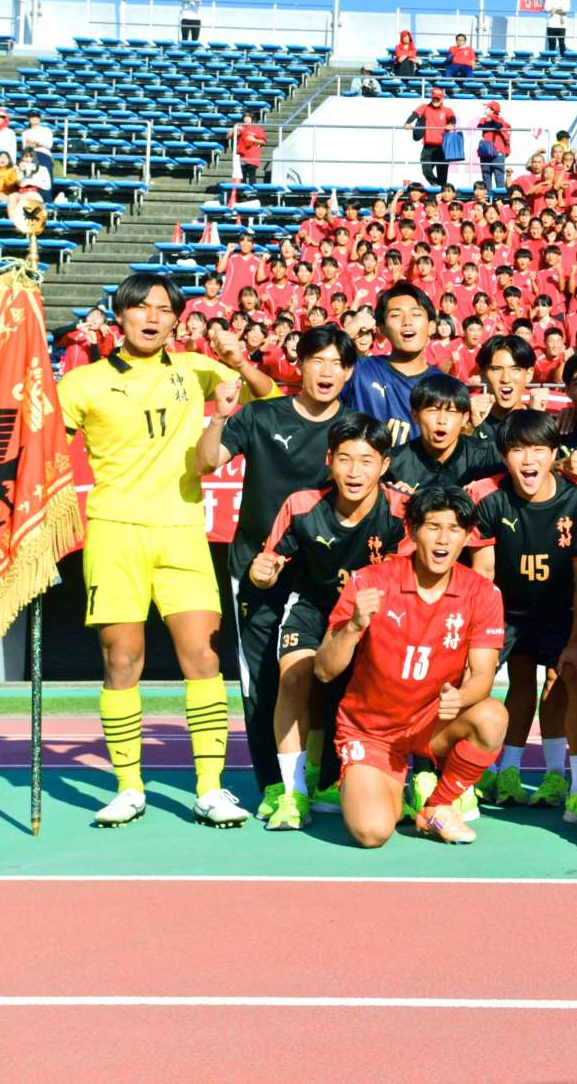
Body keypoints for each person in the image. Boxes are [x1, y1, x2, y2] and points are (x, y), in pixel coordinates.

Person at [57, 273, 277, 828]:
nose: (152, 317)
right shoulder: (81, 383)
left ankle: (210, 787)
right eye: (141, 307)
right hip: (113, 531)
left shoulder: (195, 369)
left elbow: (266, 395)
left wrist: (236, 357)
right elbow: (43, 448)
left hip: (181, 530)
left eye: (163, 308)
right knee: (121, 660)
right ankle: (129, 786)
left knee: (202, 657)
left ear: (178, 320)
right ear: (120, 316)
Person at [195, 325, 358, 822]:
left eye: (337, 364)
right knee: (264, 679)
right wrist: (219, 419)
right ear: (298, 365)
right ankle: (274, 783)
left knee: (333, 672)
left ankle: (327, 777)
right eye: (317, 361)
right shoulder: (261, 415)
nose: (327, 372)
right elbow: (206, 463)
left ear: (348, 372)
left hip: (326, 573)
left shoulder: (356, 426)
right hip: (257, 566)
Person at [314, 483, 508, 846]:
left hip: (429, 723)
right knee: (372, 833)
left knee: (492, 717)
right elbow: (324, 670)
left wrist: (462, 698)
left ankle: (437, 807)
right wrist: (354, 626)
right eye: (433, 526)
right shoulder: (370, 581)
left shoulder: (482, 593)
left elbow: (483, 674)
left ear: (467, 536)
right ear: (413, 530)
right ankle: (378, 785)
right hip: (370, 730)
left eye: (454, 529)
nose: (443, 539)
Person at [247, 413, 408, 830]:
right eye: (346, 459)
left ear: (385, 465)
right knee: (294, 678)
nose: (355, 471)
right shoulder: (302, 506)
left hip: (376, 612)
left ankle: (405, 782)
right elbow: (269, 562)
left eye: (367, 460)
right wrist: (262, 570)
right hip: (314, 607)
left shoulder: (401, 512)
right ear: (329, 460)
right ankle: (293, 791)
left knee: (390, 686)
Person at [467, 409, 577, 822]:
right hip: (505, 610)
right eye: (516, 451)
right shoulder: (487, 495)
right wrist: (480, 642)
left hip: (560, 609)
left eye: (538, 450)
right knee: (487, 683)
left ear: (554, 454)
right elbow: (484, 574)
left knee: (574, 681)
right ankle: (500, 773)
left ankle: (574, 785)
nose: (527, 461)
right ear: (503, 455)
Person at [340, 282, 442, 446]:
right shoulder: (360, 370)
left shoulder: (443, 385)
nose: (407, 321)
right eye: (395, 315)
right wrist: (348, 331)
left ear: (431, 326)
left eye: (416, 314)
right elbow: (315, 365)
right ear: (381, 329)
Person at [386, 373, 504, 491]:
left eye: (451, 411)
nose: (442, 420)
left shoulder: (488, 457)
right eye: (433, 410)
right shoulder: (395, 463)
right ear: (415, 415)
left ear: (465, 418)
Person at [403, 87, 456, 188]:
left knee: (442, 174)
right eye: (434, 98)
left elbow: (453, 118)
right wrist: (407, 123)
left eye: (438, 98)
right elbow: (414, 115)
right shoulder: (425, 107)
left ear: (442, 99)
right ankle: (437, 187)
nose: (435, 100)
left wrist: (452, 124)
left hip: (442, 147)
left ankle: (442, 190)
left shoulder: (447, 110)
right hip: (428, 146)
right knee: (426, 170)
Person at [476, 102, 510, 191]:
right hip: (485, 150)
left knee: (499, 175)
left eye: (488, 108)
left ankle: (499, 198)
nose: (486, 110)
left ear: (493, 110)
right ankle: (488, 196)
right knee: (486, 174)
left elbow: (499, 126)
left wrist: (491, 120)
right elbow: (480, 126)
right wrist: (490, 122)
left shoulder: (500, 119)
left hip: (498, 150)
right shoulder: (483, 119)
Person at [233, 109, 266, 186]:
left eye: (248, 117)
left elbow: (263, 142)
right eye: (245, 117)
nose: (246, 119)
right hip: (241, 156)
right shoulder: (240, 127)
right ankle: (243, 195)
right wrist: (234, 129)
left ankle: (253, 194)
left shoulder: (258, 129)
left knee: (252, 176)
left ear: (252, 119)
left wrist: (254, 139)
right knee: (242, 177)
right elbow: (228, 136)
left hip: (252, 157)